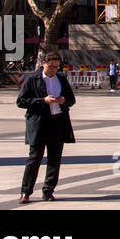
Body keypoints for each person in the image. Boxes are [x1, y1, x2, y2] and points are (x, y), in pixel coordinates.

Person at [16, 51, 76, 203]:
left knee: (54, 159)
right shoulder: (32, 79)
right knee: (34, 158)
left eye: (57, 67)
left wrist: (63, 100)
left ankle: (48, 191)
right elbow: (21, 101)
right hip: (39, 123)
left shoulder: (61, 79)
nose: (54, 70)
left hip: (58, 121)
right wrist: (42, 100)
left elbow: (71, 99)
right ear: (43, 64)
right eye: (51, 67)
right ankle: (26, 192)